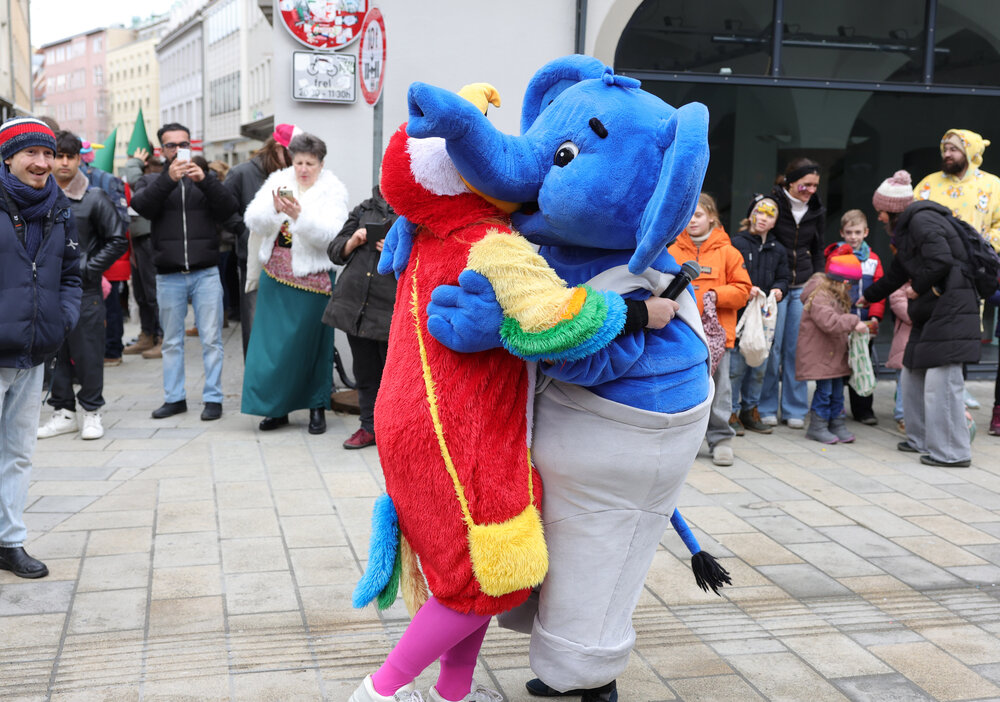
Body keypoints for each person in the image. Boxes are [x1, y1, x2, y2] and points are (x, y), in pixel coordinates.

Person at [0, 117, 81, 578]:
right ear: (9, 157)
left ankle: (10, 542)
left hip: (34, 351)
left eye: (48, 153)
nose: (43, 162)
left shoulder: (58, 206)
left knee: (18, 452)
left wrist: (60, 320)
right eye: (31, 153)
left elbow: (71, 273)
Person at [859, 170, 981, 468]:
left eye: (880, 212)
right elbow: (898, 273)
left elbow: (941, 260)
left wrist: (917, 287)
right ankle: (921, 439)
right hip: (932, 308)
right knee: (913, 371)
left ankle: (953, 453)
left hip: (952, 307)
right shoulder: (909, 229)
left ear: (893, 209)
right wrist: (869, 296)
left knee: (943, 382)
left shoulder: (923, 221)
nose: (879, 218)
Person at [241, 132, 348, 434]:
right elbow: (253, 221)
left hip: (313, 278)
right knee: (273, 348)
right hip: (276, 274)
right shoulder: (279, 180)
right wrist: (274, 210)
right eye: (299, 161)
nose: (303, 168)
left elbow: (332, 236)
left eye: (310, 163)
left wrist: (301, 217)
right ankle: (276, 409)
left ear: (321, 164)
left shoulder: (333, 189)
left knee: (311, 345)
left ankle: (316, 406)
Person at [130, 123, 238, 421]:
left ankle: (213, 398)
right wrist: (168, 179)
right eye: (171, 145)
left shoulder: (207, 178)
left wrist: (204, 181)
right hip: (168, 274)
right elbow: (140, 206)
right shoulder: (151, 180)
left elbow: (229, 207)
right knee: (173, 340)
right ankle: (174, 398)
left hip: (205, 272)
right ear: (161, 150)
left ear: (192, 145)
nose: (178, 150)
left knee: (212, 339)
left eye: (183, 144)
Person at [36, 131, 127, 441]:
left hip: (83, 290)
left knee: (88, 352)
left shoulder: (94, 197)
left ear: (79, 159)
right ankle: (63, 412)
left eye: (69, 156)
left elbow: (117, 239)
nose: (63, 162)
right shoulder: (36, 195)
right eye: (57, 155)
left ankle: (91, 411)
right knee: (53, 353)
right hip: (44, 290)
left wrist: (88, 267)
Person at [914, 129, 1000, 411]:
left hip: (971, 272)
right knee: (930, 327)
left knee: (962, 329)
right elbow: (911, 218)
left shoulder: (992, 185)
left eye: (953, 149)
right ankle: (925, 390)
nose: (947, 154)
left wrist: (985, 247)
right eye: (945, 149)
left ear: (971, 152)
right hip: (933, 270)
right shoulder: (929, 184)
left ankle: (958, 387)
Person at [668, 193, 751, 466]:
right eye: (689, 215)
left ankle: (721, 439)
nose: (693, 221)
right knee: (682, 386)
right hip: (682, 332)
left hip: (717, 336)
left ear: (712, 217)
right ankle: (682, 443)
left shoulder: (729, 252)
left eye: (699, 215)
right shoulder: (671, 249)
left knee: (721, 390)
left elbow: (743, 290)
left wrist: (715, 293)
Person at [322, 185, 398, 449]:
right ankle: (368, 428)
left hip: (390, 308)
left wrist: (396, 251)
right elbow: (335, 250)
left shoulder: (414, 212)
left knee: (394, 378)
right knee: (365, 373)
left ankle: (393, 433)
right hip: (356, 305)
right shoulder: (363, 209)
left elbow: (427, 259)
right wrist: (353, 240)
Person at [759, 158, 826, 429]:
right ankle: (764, 406)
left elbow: (819, 248)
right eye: (805, 184)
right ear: (790, 181)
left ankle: (794, 408)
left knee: (796, 349)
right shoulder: (772, 203)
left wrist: (820, 277)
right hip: (776, 284)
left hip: (803, 285)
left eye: (815, 185)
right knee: (771, 348)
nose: (811, 190)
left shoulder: (816, 209)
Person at [224, 130, 291, 358]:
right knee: (254, 320)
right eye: (291, 153)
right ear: (278, 149)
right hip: (254, 261)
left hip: (289, 261)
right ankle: (253, 379)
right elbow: (225, 212)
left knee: (283, 325)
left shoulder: (291, 174)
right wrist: (246, 234)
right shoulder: (241, 172)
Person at [729, 194, 789, 435]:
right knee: (736, 366)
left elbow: (784, 277)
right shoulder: (737, 244)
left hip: (764, 317)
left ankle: (750, 410)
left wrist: (779, 289)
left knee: (760, 366)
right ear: (751, 215)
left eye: (769, 214)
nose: (763, 218)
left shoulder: (778, 249)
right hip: (741, 316)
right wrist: (745, 288)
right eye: (760, 212)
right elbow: (730, 274)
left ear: (775, 221)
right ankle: (731, 411)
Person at [798, 245, 867, 444]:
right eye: (850, 285)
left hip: (833, 353)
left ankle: (837, 423)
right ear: (842, 282)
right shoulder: (820, 296)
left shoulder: (834, 295)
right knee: (825, 391)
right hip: (821, 354)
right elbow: (829, 322)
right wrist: (854, 322)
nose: (851, 289)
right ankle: (817, 426)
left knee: (838, 390)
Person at [837, 209, 884, 425]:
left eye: (857, 232)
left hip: (864, 323)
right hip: (841, 323)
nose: (853, 237)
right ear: (842, 233)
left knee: (863, 364)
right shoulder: (837, 257)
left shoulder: (873, 260)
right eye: (849, 232)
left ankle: (864, 410)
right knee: (837, 366)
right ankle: (836, 408)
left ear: (866, 232)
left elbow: (880, 292)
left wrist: (875, 317)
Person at [122, 148, 163, 358]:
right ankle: (147, 334)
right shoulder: (144, 168)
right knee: (141, 292)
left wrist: (133, 164)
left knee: (152, 291)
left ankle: (161, 336)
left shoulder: (155, 171)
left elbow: (135, 182)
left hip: (148, 237)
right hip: (137, 237)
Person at [888, 283, 914, 434]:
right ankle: (902, 415)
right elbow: (910, 315)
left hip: (926, 344)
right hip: (905, 344)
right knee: (904, 380)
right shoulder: (899, 291)